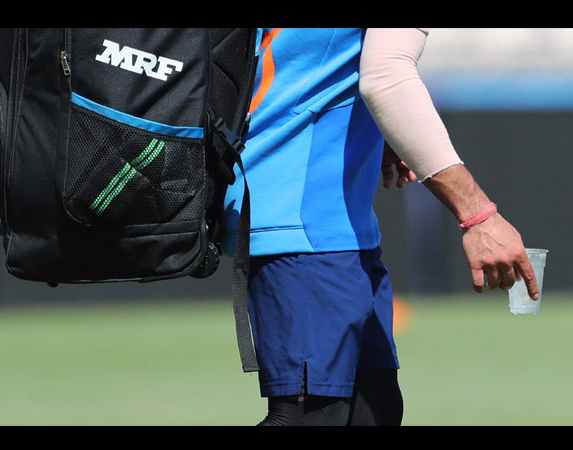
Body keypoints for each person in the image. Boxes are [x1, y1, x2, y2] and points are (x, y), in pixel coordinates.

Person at [220, 28, 539, 426]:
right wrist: (479, 216)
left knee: (374, 410)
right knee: (313, 417)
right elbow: (387, 78)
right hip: (302, 213)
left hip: (328, 218)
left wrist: (375, 130)